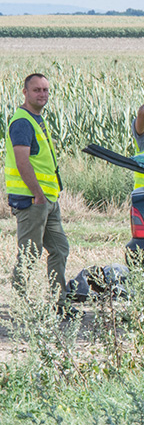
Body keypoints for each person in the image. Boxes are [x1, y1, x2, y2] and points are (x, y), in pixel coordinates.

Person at [5, 73, 71, 314]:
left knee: (60, 248)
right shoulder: (23, 122)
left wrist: (48, 196)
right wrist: (38, 195)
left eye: (45, 90)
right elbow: (23, 162)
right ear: (25, 92)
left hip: (47, 199)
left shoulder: (37, 119)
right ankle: (22, 308)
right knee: (29, 254)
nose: (42, 94)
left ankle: (59, 303)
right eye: (37, 90)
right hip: (33, 199)